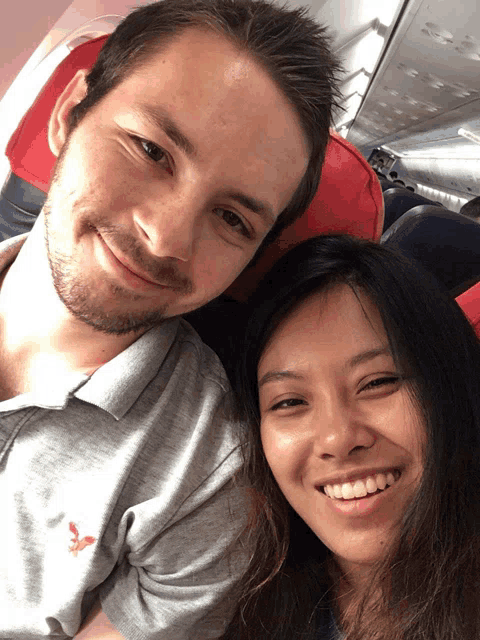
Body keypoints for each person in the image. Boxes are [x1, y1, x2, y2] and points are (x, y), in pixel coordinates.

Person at [0, 1, 341, 638]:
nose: (165, 238)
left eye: (233, 220)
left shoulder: (209, 480)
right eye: (152, 151)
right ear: (70, 114)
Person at [222, 234, 480, 640]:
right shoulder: (230, 602)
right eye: (289, 402)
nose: (339, 438)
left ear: (452, 387)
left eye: (378, 382)